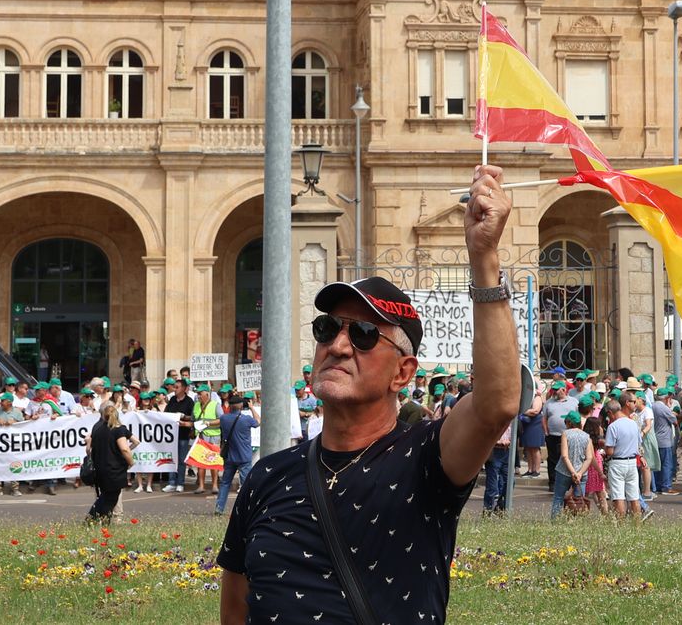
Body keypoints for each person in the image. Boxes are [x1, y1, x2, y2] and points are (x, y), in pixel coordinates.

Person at [218, 163, 519, 625]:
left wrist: (484, 260)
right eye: (327, 329)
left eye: (361, 334)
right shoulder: (266, 477)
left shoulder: (427, 459)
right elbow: (235, 609)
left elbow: (497, 404)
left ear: (403, 373)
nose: (337, 345)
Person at [85, 401, 133, 522]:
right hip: (114, 469)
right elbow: (124, 449)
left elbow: (88, 449)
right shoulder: (118, 429)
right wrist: (131, 462)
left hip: (100, 468)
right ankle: (92, 519)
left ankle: (101, 521)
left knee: (105, 497)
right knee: (111, 497)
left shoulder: (97, 428)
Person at [215, 394, 259, 516]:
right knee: (246, 485)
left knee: (225, 483)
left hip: (229, 457)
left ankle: (219, 507)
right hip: (244, 456)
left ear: (229, 406)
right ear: (240, 406)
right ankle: (246, 509)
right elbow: (258, 421)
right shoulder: (246, 419)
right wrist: (251, 407)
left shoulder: (224, 418)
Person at [551, 410, 592, 518]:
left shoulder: (566, 434)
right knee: (579, 498)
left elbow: (564, 456)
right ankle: (577, 522)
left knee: (558, 498)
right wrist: (579, 473)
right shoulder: (586, 436)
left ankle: (555, 521)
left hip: (564, 471)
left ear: (569, 423)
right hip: (581, 473)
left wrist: (573, 472)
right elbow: (589, 458)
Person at [0, 393, 24, 497]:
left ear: (9, 402)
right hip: (0, 444)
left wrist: (15, 421)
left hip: (13, 444)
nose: (1, 402)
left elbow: (23, 425)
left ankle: (15, 488)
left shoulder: (17, 412)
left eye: (3, 400)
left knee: (14, 464)